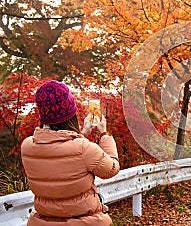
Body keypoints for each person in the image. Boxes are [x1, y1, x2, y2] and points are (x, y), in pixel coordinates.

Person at [21, 80, 120, 226]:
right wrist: (104, 134)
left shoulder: (28, 146)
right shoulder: (84, 148)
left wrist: (82, 133)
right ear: (70, 113)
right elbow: (111, 169)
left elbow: (63, 152)